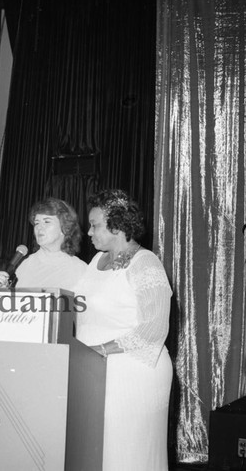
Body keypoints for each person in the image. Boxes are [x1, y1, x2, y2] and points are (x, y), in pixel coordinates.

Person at [74, 189, 172, 471]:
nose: (89, 232)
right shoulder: (95, 261)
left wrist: (99, 351)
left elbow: (153, 328)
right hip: (94, 369)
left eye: (95, 225)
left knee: (125, 454)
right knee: (98, 453)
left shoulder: (146, 262)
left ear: (117, 227)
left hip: (132, 372)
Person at [0, 197, 87, 289]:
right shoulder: (25, 264)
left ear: (65, 228)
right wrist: (4, 291)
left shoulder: (79, 269)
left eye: (47, 222)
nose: (39, 227)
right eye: (37, 223)